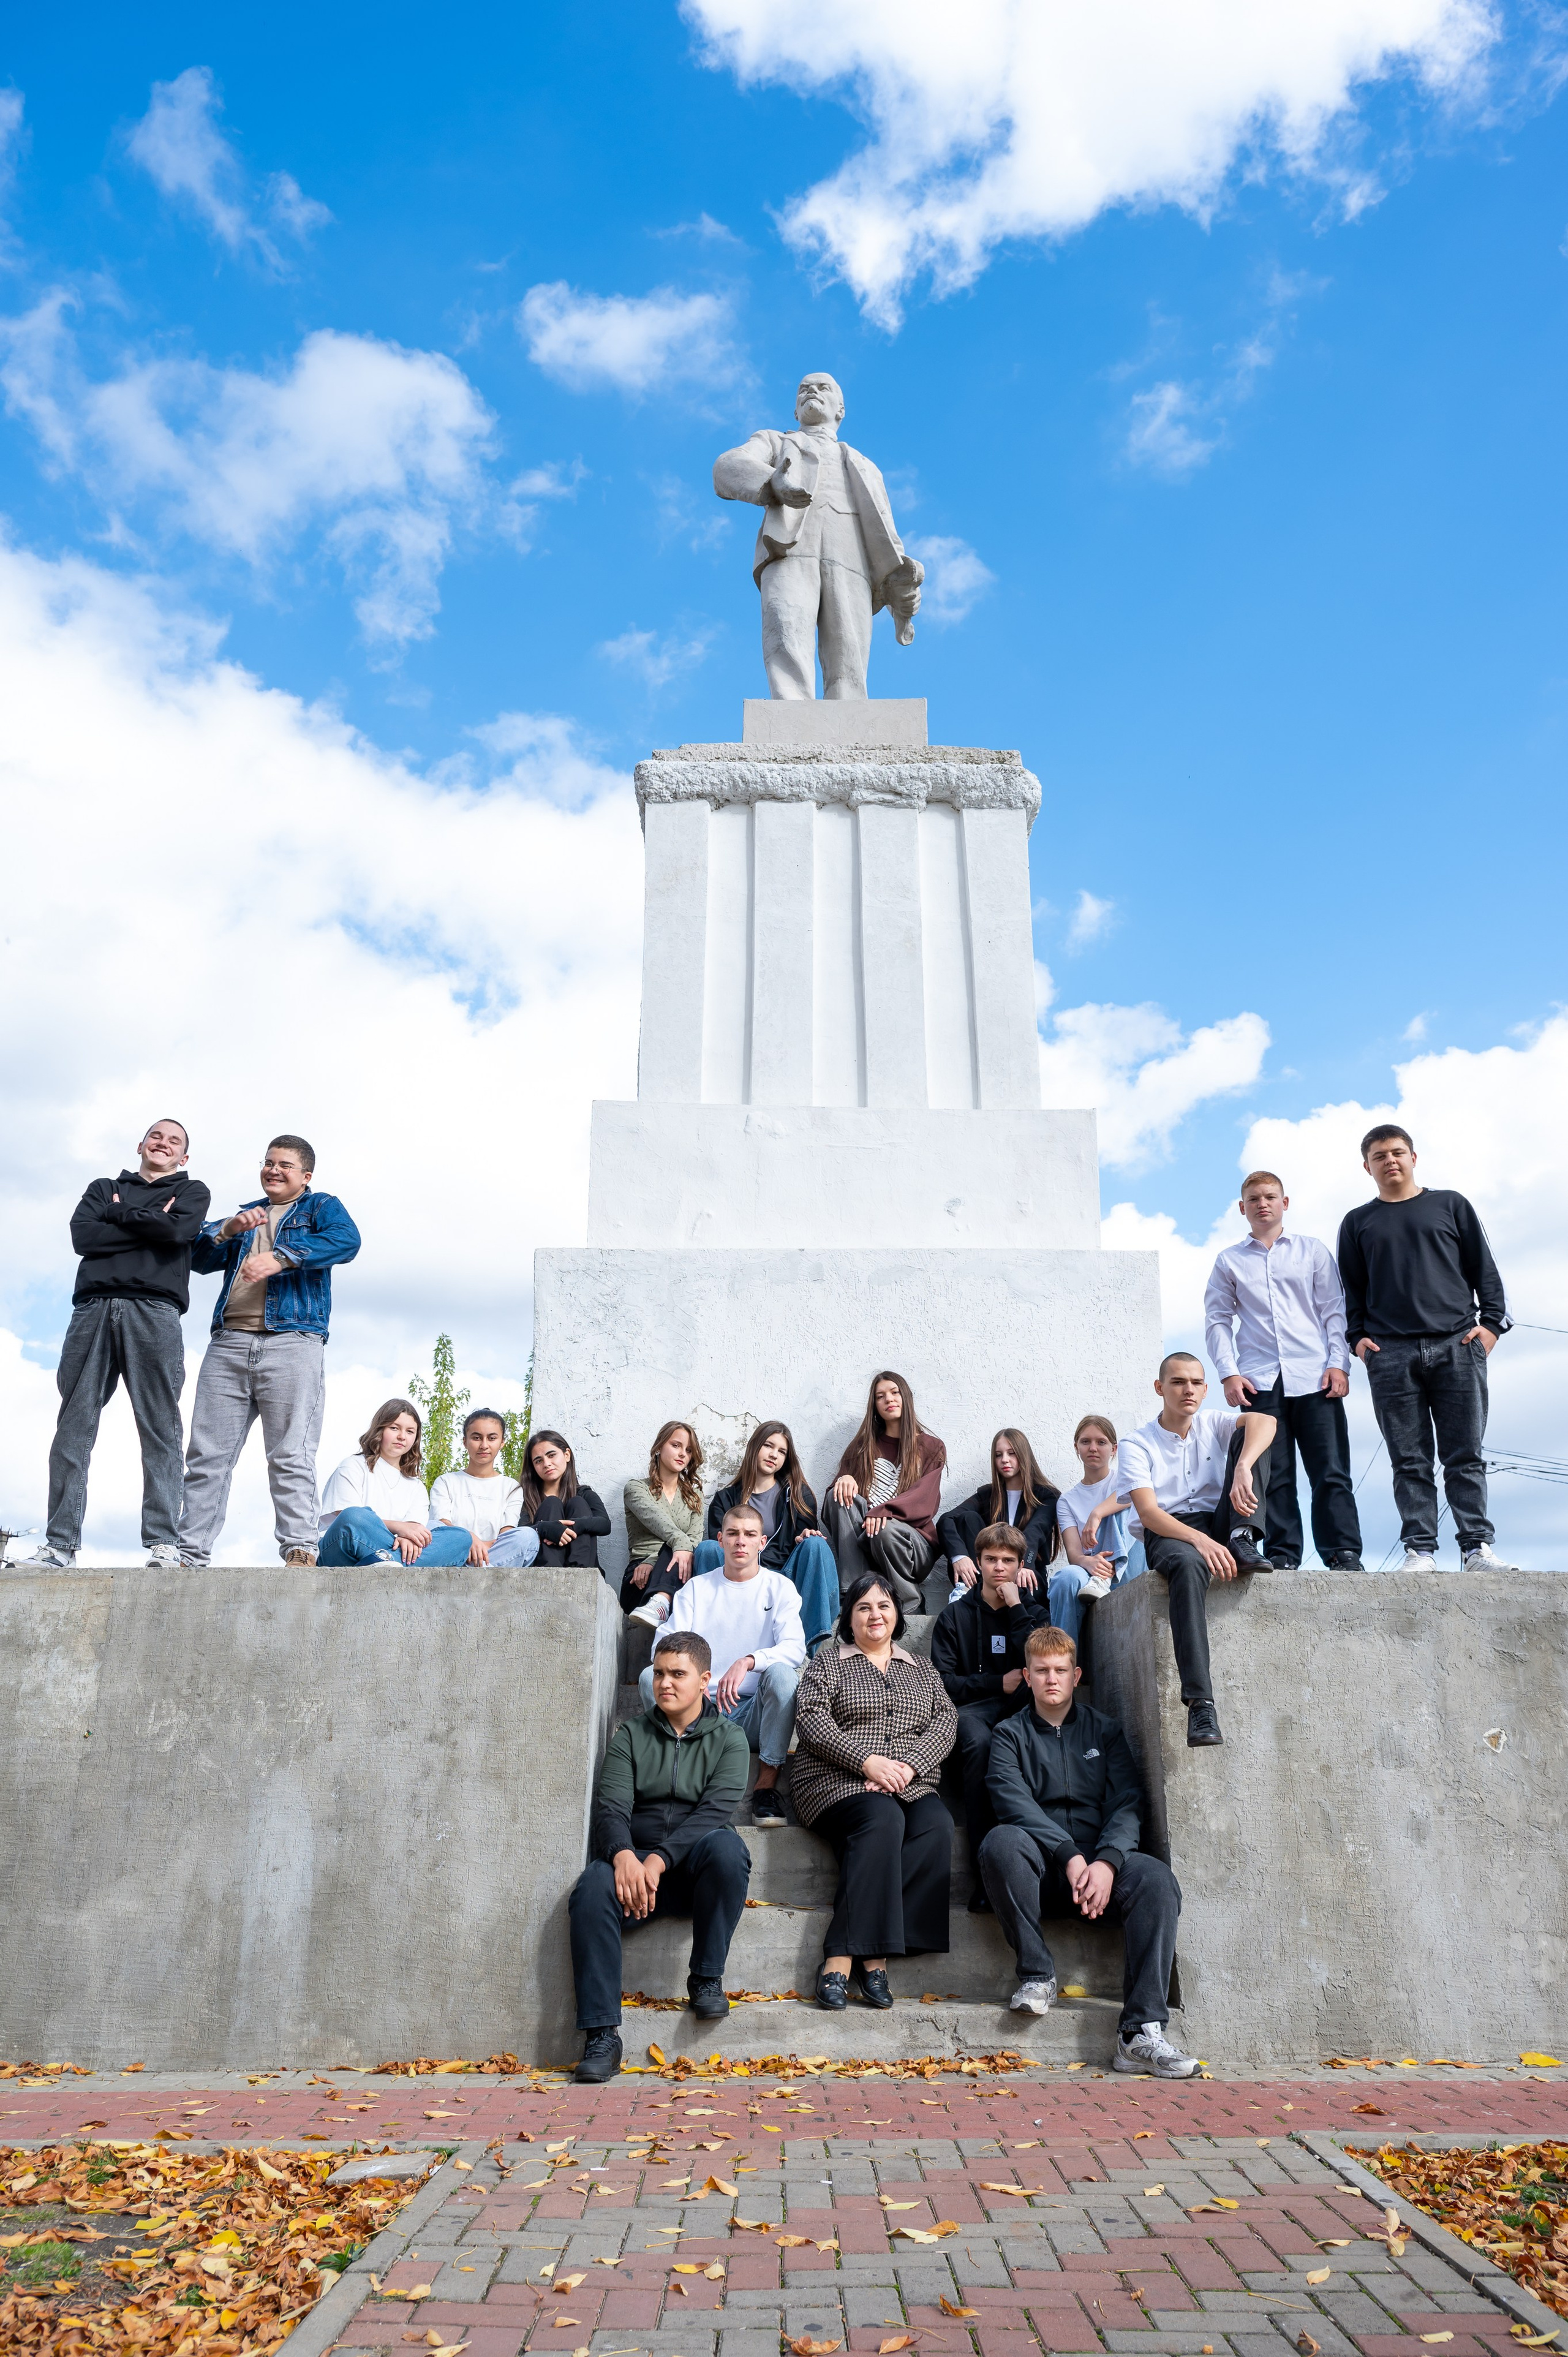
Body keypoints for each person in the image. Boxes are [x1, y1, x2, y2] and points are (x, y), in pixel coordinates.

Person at [980, 1625, 1199, 2079]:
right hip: (1041, 1871)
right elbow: (1012, 1802)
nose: (1052, 1679)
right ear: (1026, 1675)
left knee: (1157, 1881)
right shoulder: (1008, 1736)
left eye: (1060, 1670)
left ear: (1076, 1674)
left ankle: (1139, 2033)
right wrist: (1069, 1854)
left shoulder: (1107, 1731)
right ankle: (1038, 1976)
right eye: (1041, 1671)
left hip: (1100, 1872)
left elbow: (1127, 1803)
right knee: (1000, 1842)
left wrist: (1106, 1861)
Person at [568, 1629, 752, 2084]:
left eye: (678, 1674)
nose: (665, 1683)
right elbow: (611, 1809)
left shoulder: (730, 1738)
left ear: (705, 1680)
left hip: (694, 1874)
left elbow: (714, 1812)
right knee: (591, 1888)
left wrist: (660, 1859)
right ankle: (602, 2036)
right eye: (659, 1674)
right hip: (637, 1872)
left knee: (729, 1849)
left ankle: (706, 1978)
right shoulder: (631, 1734)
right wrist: (624, 1855)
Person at [1336, 1124, 1516, 1574]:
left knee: (1464, 1454)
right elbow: (1351, 1291)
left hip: (1457, 1342)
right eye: (1380, 1156)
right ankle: (1421, 1551)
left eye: (1398, 1152)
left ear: (1414, 1157)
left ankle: (1477, 1548)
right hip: (1390, 1353)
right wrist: (1358, 1341)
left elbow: (1484, 1269)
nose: (1390, 1161)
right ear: (1367, 1166)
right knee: (1409, 1460)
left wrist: (1492, 1325)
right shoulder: (1358, 1222)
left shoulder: (1450, 1205)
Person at [36, 1119, 211, 1570]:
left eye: (174, 1141)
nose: (163, 1144)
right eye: (157, 1136)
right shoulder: (102, 1186)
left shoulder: (193, 1193)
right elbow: (83, 1238)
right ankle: (59, 1545)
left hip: (154, 1311)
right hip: (93, 1308)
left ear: (183, 1158)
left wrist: (119, 1215)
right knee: (73, 1428)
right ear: (141, 1144)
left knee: (159, 1428)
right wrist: (152, 1221)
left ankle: (163, 1544)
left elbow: (176, 1234)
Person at [178, 1136, 361, 1567]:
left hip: (293, 1341)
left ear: (306, 1176)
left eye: (285, 1165)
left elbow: (347, 1241)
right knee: (207, 1455)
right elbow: (197, 1259)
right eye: (268, 1163)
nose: (273, 1170)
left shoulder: (320, 1208)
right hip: (230, 1344)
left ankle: (300, 1547)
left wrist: (284, 1257)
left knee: (291, 1452)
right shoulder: (248, 1215)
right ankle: (188, 1554)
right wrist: (226, 1230)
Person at [790, 1571, 957, 2009]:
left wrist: (908, 1766)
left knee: (937, 1825)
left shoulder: (921, 1668)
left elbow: (946, 1721)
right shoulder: (829, 1661)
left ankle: (867, 1941)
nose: (875, 1615)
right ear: (850, 1617)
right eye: (863, 1607)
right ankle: (854, 1960)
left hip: (909, 1780)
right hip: (833, 1780)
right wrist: (866, 1762)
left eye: (883, 1605)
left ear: (898, 1613)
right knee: (883, 1818)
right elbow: (811, 1719)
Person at [712, 371, 923, 701]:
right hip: (789, 547)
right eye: (803, 389)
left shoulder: (865, 465)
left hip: (850, 550)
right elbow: (727, 466)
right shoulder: (776, 441)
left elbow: (886, 530)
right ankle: (791, 711)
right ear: (796, 411)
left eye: (823, 387)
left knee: (849, 646)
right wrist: (772, 482)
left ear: (841, 408)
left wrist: (902, 582)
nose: (811, 391)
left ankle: (849, 717)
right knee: (785, 625)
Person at [1204, 1171, 1364, 1573]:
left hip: (1316, 1377)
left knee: (1330, 1470)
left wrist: (1337, 1362)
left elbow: (1334, 1310)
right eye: (1254, 1199)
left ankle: (1343, 1553)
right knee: (1273, 1474)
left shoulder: (1312, 1251)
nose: (1263, 1204)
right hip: (1260, 1381)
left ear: (1284, 1203)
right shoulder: (1229, 1261)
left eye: (1270, 1197)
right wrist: (1228, 1373)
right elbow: (1218, 1319)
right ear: (1243, 1208)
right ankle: (1282, 1554)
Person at [1118, 1354, 1278, 1749]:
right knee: (1189, 1566)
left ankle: (1242, 1536)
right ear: (1160, 1388)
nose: (1188, 1390)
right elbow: (1149, 1513)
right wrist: (1201, 1542)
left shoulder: (1213, 1423)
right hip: (1170, 1530)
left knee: (1252, 1439)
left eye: (1196, 1382)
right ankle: (1201, 1704)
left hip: (1220, 1520)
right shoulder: (1137, 1443)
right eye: (1177, 1382)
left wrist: (1243, 1466)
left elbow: (1267, 1421)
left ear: (1206, 1389)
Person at [638, 1504, 805, 1825]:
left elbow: (794, 1648)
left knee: (784, 1676)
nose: (741, 1541)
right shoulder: (697, 1590)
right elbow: (664, 1645)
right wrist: (698, 1683)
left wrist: (749, 1661)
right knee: (651, 1677)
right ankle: (683, 1778)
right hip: (700, 1712)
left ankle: (766, 1788)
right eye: (733, 1534)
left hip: (755, 1714)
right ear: (720, 1540)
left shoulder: (780, 1588)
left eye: (749, 1534)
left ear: (763, 1542)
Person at [930, 1522, 1051, 1908]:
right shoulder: (954, 1617)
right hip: (971, 1713)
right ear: (978, 1563)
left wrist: (1016, 1607)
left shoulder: (1032, 1613)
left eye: (1008, 1560)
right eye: (991, 1559)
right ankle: (986, 1878)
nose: (1000, 1568)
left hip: (1021, 1711)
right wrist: (996, 1684)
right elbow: (942, 1682)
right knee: (980, 1744)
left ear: (1020, 1566)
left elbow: (1044, 1663)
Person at [695, 1420, 840, 1652]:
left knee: (816, 1546)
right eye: (768, 1446)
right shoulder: (725, 1499)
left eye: (782, 1451)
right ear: (754, 1447)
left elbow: (804, 1545)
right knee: (707, 1549)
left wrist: (804, 1536)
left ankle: (805, 1653)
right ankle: (703, 1648)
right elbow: (724, 1548)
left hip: (783, 1579)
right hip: (740, 1579)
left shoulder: (798, 1495)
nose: (774, 1455)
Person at [820, 1370, 947, 1612]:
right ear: (875, 1405)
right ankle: (855, 1593)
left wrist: (884, 1511)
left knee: (885, 1529)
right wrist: (843, 1478)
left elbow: (926, 1500)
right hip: (866, 1544)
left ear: (906, 1398)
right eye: (881, 1396)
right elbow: (834, 1510)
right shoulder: (862, 1448)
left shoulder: (931, 1446)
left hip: (913, 1546)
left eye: (895, 1392)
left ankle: (910, 1603)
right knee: (837, 1498)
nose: (889, 1399)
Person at [317, 1399, 473, 1566]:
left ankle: (387, 1563)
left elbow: (414, 1531)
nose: (402, 1437)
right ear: (380, 1429)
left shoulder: (416, 1486)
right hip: (341, 1553)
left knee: (461, 1538)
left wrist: (408, 1537)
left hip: (391, 1552)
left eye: (410, 1432)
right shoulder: (352, 1466)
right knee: (355, 1515)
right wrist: (400, 1529)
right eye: (394, 1428)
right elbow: (348, 1522)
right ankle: (392, 1563)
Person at [1050, 1414, 1144, 1646]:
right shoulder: (1067, 1501)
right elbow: (1074, 1554)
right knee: (1065, 1577)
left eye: (1101, 1442)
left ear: (1114, 1449)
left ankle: (1106, 1576)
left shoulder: (1127, 1478)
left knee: (1123, 1508)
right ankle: (1064, 1663)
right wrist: (1088, 1563)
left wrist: (1097, 1513)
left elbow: (1133, 1498)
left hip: (1131, 1565)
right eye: (1086, 1442)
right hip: (1092, 1573)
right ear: (1077, 1447)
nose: (1093, 1448)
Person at [938, 1427, 1060, 1604]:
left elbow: (1035, 1532)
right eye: (998, 1455)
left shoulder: (1047, 1496)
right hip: (988, 1579)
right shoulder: (988, 1495)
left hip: (1027, 1575)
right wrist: (959, 1556)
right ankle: (966, 1591)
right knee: (967, 1519)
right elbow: (947, 1519)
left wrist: (1024, 1565)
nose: (1004, 1460)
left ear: (1024, 1456)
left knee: (1025, 1587)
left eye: (1012, 1453)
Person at [431, 1408, 538, 1567]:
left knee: (528, 1536)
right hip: (455, 1556)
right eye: (477, 1438)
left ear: (502, 1442)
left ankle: (482, 1573)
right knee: (431, 1526)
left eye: (492, 1438)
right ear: (465, 1441)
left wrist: (479, 1547)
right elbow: (442, 1525)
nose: (484, 1445)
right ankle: (484, 1576)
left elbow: (507, 1535)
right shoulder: (446, 1481)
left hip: (494, 1557)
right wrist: (468, 1539)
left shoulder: (511, 1487)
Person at [623, 1421, 706, 1621]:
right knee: (678, 1543)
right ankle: (658, 1603)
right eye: (676, 1446)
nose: (683, 1454)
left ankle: (662, 1602)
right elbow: (664, 1527)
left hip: (680, 1574)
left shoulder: (695, 1496)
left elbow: (695, 1540)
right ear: (659, 1447)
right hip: (639, 1578)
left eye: (688, 1450)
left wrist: (653, 1561)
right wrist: (650, 1560)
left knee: (685, 1548)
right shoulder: (636, 1489)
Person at [514, 1429, 611, 1569]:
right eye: (538, 1461)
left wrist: (572, 1526)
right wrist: (546, 1528)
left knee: (577, 1503)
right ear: (533, 1467)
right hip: (544, 1570)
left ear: (567, 1455)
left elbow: (605, 1525)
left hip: (583, 1570)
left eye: (552, 1455)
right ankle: (549, 1572)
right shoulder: (527, 1498)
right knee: (551, 1504)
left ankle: (579, 1572)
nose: (546, 1464)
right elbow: (519, 1534)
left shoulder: (584, 1493)